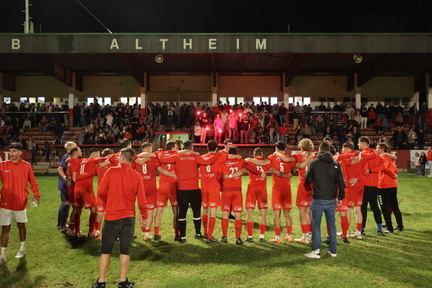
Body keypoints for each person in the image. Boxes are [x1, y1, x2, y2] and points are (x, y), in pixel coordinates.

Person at [92, 148, 147, 288]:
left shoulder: (111, 171)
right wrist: (145, 215)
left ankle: (101, 282)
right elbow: (142, 200)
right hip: (128, 218)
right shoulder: (137, 176)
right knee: (125, 250)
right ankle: (123, 281)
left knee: (105, 250)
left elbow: (100, 191)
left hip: (111, 217)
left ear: (122, 157)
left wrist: (108, 200)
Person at [157, 140, 221, 243]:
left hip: (181, 190)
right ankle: (198, 233)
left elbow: (162, 159)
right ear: (192, 147)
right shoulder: (195, 156)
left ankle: (183, 237)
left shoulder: (177, 156)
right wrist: (218, 153)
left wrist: (160, 152)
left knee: (182, 214)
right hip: (194, 189)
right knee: (196, 213)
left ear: (184, 147)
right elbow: (207, 162)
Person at [0, 142, 40, 265]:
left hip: (21, 202)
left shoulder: (26, 166)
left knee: (21, 225)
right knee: (5, 228)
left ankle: (22, 249)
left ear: (20, 152)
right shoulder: (2, 165)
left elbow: (33, 181)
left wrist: (36, 195)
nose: (12, 153)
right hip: (5, 202)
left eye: (14, 151)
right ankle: (2, 255)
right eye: (10, 151)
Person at [304, 142, 345, 259]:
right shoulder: (335, 163)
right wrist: (341, 197)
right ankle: (333, 251)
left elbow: (308, 179)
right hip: (331, 199)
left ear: (319, 149)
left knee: (316, 225)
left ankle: (316, 251)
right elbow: (341, 183)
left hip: (318, 198)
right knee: (332, 224)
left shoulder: (315, 162)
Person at [217, 146, 265, 245]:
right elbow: (251, 168)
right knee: (238, 215)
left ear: (228, 153)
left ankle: (224, 237)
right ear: (236, 152)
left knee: (225, 214)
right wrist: (260, 173)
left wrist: (222, 185)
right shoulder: (241, 161)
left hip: (226, 191)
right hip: (237, 191)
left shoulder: (222, 162)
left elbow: (218, 177)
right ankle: (238, 238)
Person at [133, 142, 176, 240]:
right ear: (149, 149)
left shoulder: (136, 159)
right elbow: (161, 170)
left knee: (141, 211)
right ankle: (147, 233)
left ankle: (143, 231)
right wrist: (173, 175)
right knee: (150, 211)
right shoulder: (154, 158)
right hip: (151, 189)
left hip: (140, 188)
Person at [199, 140, 229, 243]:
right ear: (216, 147)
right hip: (213, 188)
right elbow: (229, 156)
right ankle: (210, 237)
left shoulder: (202, 157)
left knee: (205, 209)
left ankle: (205, 232)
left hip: (203, 187)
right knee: (213, 212)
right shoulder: (219, 156)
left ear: (207, 147)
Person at [373, 143, 404, 233]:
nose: (376, 149)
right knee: (395, 207)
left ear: (382, 149)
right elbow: (395, 169)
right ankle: (400, 226)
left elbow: (385, 169)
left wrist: (392, 175)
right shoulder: (390, 158)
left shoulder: (382, 158)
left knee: (384, 207)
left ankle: (389, 228)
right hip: (393, 185)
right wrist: (394, 174)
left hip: (383, 185)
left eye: (378, 148)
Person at [154, 141, 180, 241]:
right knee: (176, 212)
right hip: (173, 186)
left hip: (161, 186)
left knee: (159, 211)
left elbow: (159, 169)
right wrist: (174, 175)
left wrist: (160, 151)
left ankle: (156, 233)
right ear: (173, 147)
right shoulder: (177, 154)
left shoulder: (160, 154)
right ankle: (177, 234)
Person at [94, 148, 115, 240]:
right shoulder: (112, 162)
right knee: (111, 213)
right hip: (111, 192)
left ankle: (97, 231)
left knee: (100, 212)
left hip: (100, 191)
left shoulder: (97, 162)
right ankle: (109, 233)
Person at [56, 141, 76, 233]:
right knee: (66, 203)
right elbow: (60, 168)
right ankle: (62, 225)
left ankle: (61, 223)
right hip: (65, 184)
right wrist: (65, 178)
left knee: (65, 203)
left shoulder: (67, 156)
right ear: (70, 149)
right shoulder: (67, 157)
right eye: (75, 147)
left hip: (64, 184)